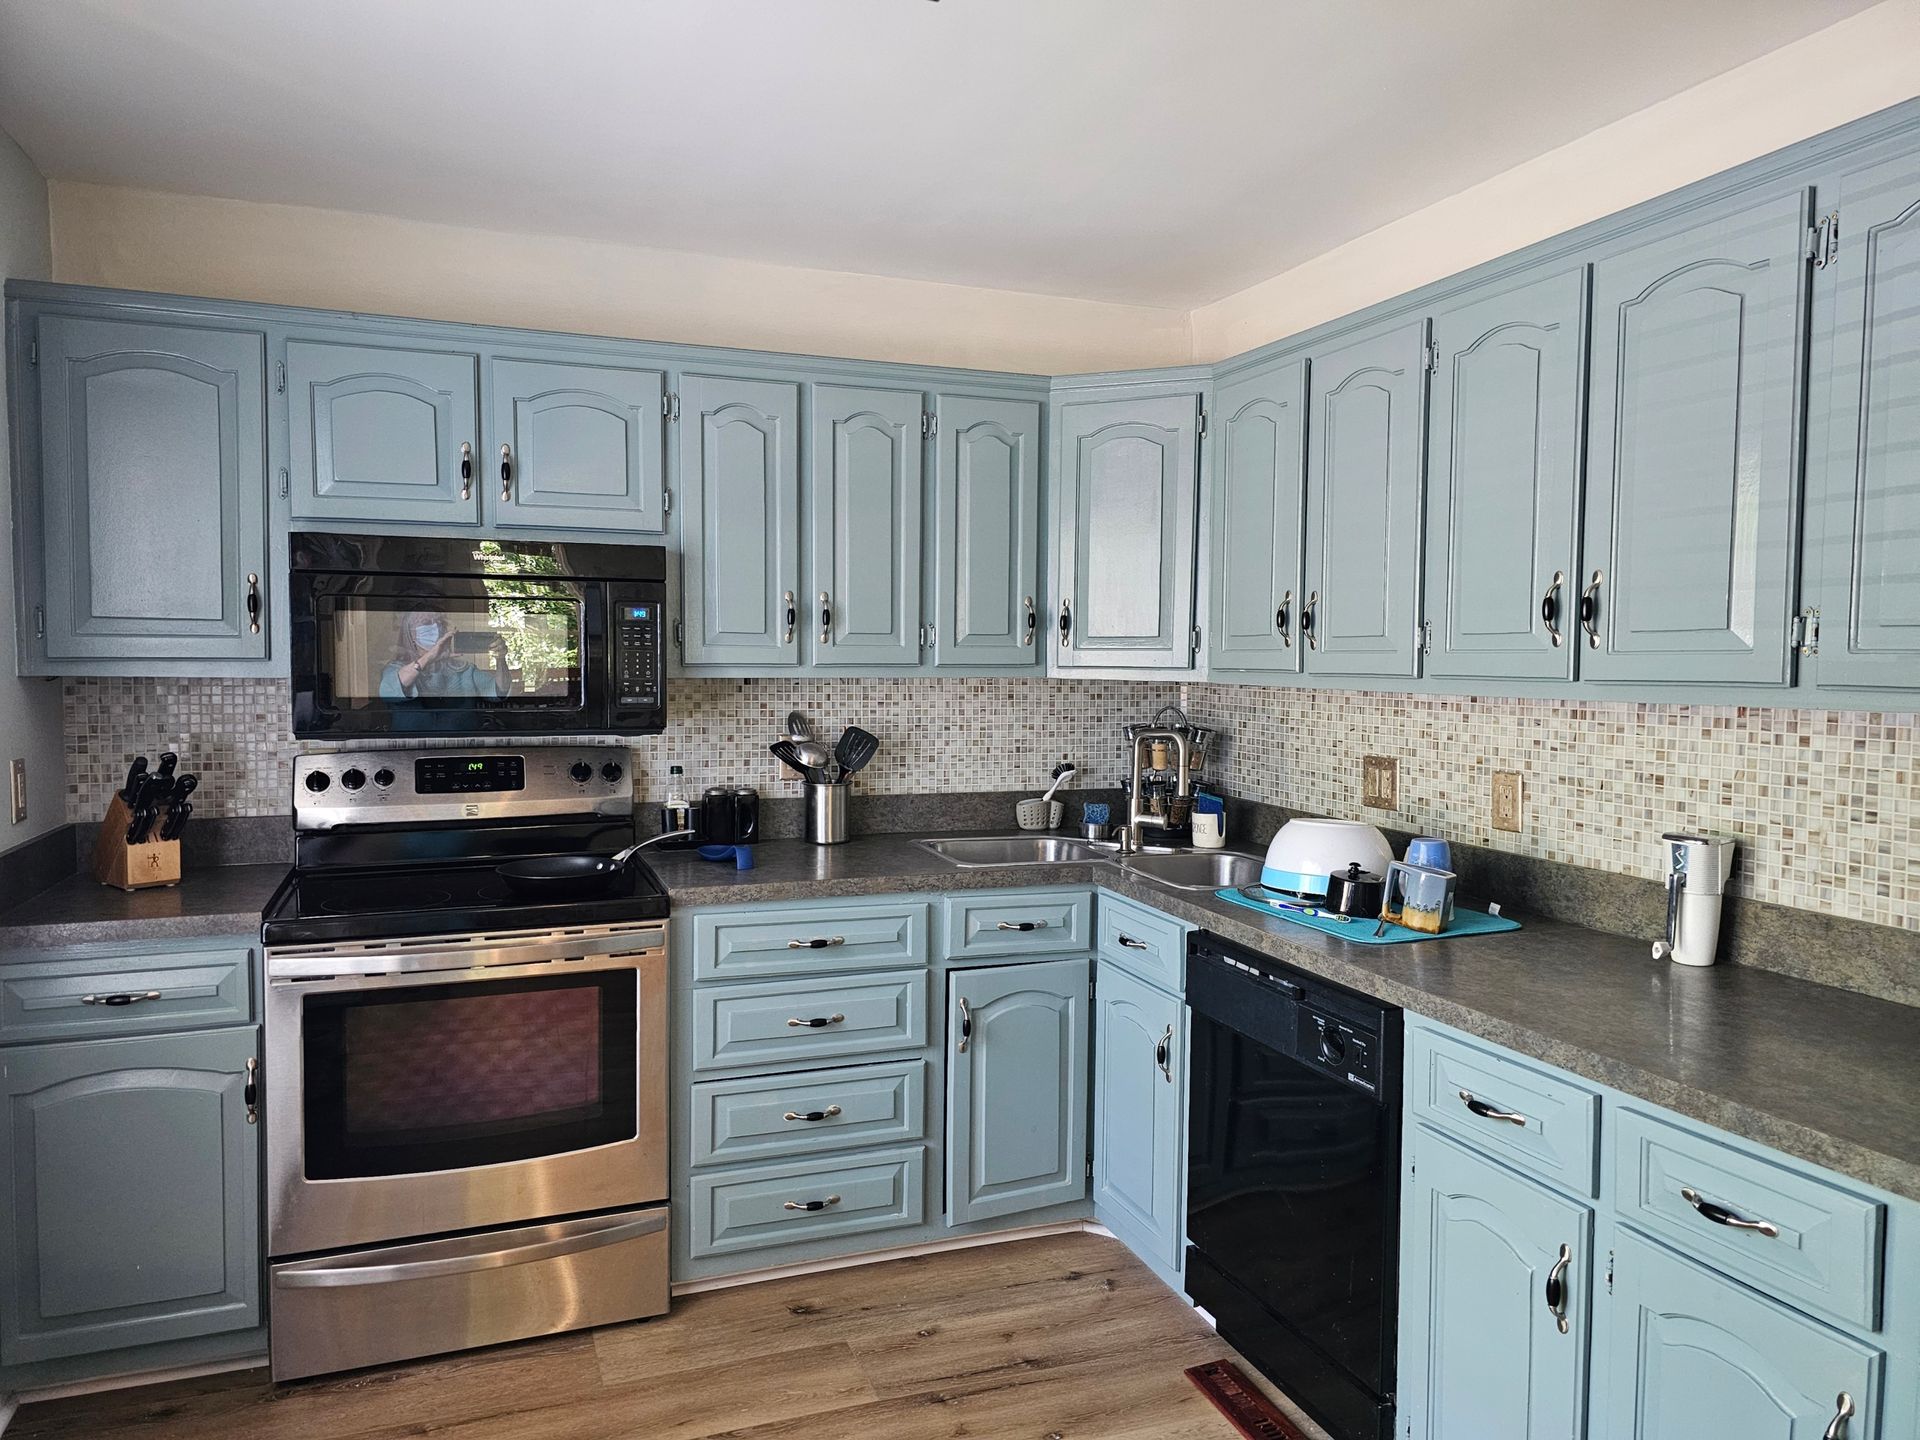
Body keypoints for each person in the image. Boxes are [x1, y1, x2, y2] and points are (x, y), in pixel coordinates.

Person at [378, 607, 512, 701]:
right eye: (426, 623)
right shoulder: (396, 668)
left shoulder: (465, 670)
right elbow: (389, 690)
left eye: (439, 622)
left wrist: (501, 659)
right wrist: (429, 657)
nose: (435, 627)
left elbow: (500, 691)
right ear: (410, 634)